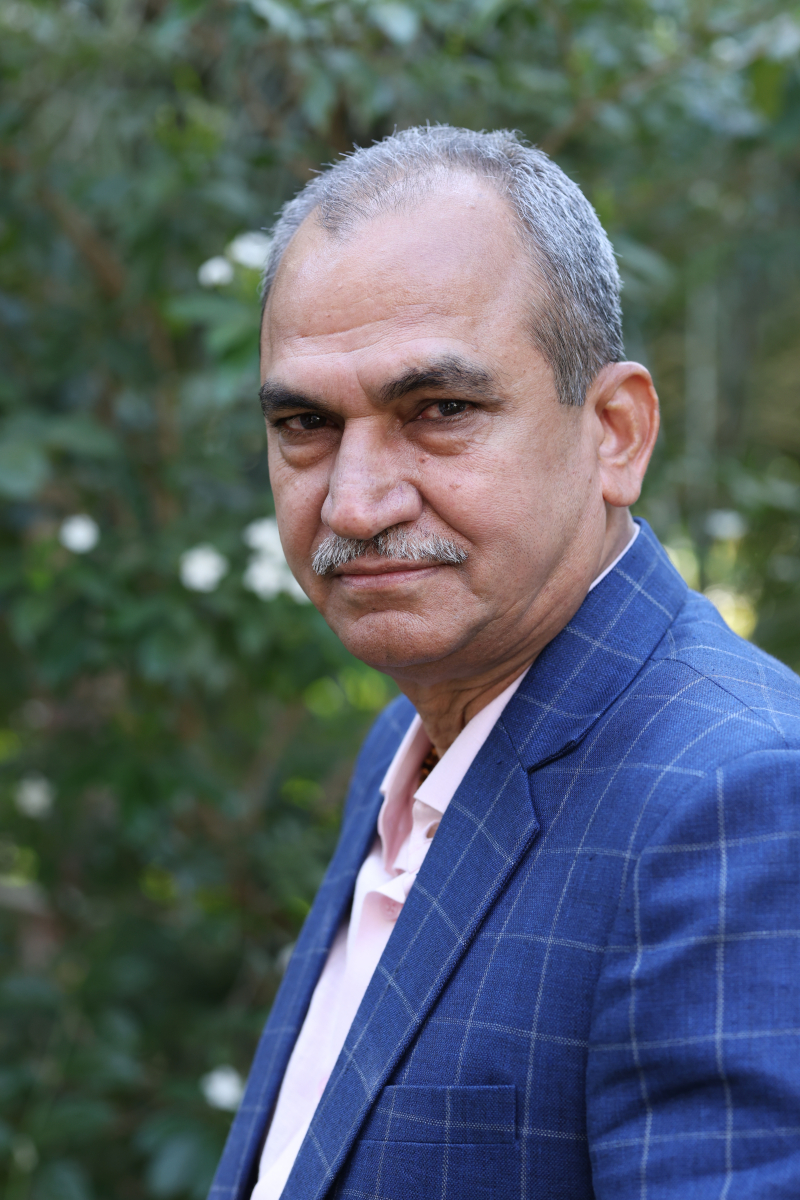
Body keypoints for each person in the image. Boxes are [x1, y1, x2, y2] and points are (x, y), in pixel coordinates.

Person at [209, 127, 800, 1200]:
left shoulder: (739, 798)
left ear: (615, 432)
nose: (354, 503)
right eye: (305, 423)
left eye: (438, 411)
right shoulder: (410, 743)